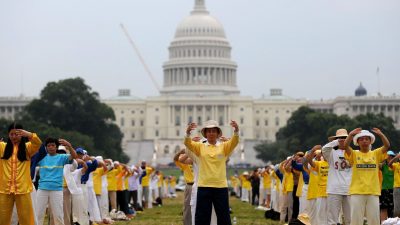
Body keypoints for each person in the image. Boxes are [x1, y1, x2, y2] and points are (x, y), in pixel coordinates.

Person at [184, 119, 239, 225]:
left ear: (218, 133)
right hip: (204, 185)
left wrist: (236, 130)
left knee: (223, 216)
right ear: (205, 133)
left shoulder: (223, 147)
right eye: (209, 131)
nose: (211, 133)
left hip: (220, 186)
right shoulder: (200, 147)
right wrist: (187, 133)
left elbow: (234, 142)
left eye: (214, 131)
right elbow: (188, 144)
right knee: (202, 217)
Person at [344, 128, 390, 225]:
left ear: (370, 141)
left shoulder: (375, 153)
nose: (364, 141)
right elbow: (345, 146)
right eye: (361, 139)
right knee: (356, 220)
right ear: (357, 142)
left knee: (374, 220)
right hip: (357, 192)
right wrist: (351, 135)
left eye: (366, 139)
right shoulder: (354, 154)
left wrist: (381, 134)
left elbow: (387, 145)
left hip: (373, 191)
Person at [0, 123, 42, 225]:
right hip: (4, 190)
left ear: (22, 134)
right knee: (2, 218)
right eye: (11, 134)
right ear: (8, 135)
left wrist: (29, 135)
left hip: (23, 189)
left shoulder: (27, 148)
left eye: (17, 134)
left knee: (26, 219)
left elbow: (38, 143)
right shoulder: (2, 147)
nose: (14, 136)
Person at [36, 137, 78, 225]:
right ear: (46, 147)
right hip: (42, 189)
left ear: (56, 147)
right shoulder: (41, 158)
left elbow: (74, 156)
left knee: (58, 215)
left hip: (57, 190)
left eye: (53, 145)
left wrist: (69, 146)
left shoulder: (62, 157)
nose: (51, 147)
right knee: (38, 214)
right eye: (48, 145)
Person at [322, 128, 352, 225]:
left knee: (350, 219)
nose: (342, 140)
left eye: (345, 138)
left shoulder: (353, 153)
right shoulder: (331, 153)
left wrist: (346, 142)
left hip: (349, 189)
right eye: (340, 138)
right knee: (332, 220)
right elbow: (324, 149)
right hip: (334, 189)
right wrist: (336, 142)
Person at [174, 149, 194, 225]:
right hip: (190, 185)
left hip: (201, 185)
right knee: (188, 206)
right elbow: (176, 159)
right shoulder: (186, 163)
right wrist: (180, 152)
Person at [379, 150, 395, 221]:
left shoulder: (396, 165)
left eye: (391, 156)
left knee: (393, 208)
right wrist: (383, 159)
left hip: (394, 189)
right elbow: (378, 164)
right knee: (383, 208)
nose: (389, 158)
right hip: (384, 189)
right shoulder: (383, 166)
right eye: (388, 156)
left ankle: (392, 222)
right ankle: (383, 222)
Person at [388, 151, 400, 217]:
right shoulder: (396, 165)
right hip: (397, 187)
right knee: (397, 206)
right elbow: (389, 164)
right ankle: (397, 220)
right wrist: (396, 157)